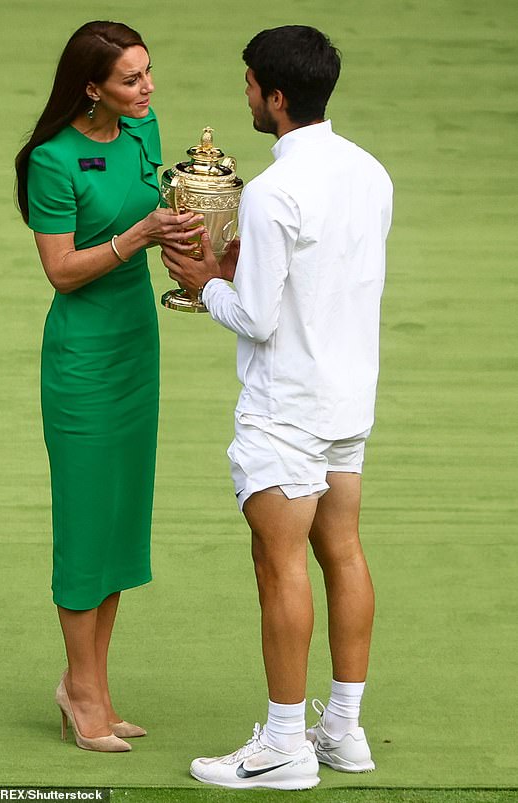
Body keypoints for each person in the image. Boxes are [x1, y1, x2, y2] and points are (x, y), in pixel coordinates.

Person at [161, 25, 393, 790]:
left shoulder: (271, 191)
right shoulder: (370, 172)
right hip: (347, 399)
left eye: (252, 85)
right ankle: (345, 731)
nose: (248, 97)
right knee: (344, 551)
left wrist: (205, 285)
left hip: (284, 408)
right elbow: (319, 278)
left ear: (277, 97)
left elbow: (256, 316)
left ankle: (286, 746)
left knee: (279, 564)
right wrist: (238, 269)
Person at [15, 21, 201, 753]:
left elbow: (161, 204)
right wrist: (138, 238)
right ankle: (79, 688)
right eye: (130, 79)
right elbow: (60, 271)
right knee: (85, 526)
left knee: (121, 523)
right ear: (90, 87)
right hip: (83, 361)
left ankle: (94, 685)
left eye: (148, 73)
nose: (147, 88)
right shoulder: (53, 161)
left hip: (137, 350)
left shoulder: (142, 129)